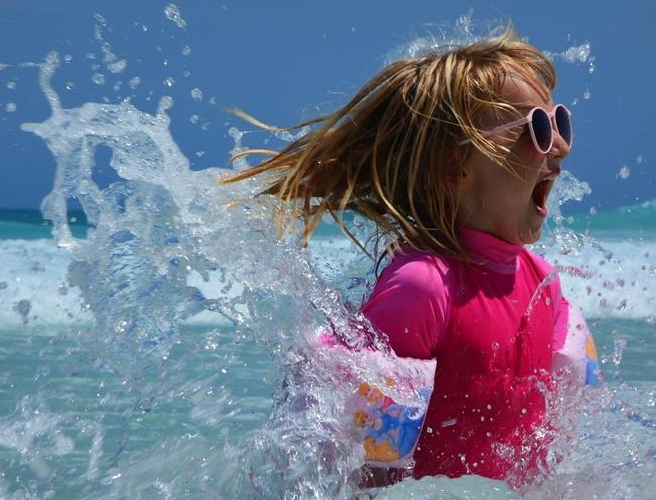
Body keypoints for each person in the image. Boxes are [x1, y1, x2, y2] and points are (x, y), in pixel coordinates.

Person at [222, 26, 589, 489]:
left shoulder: (542, 283)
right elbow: (361, 468)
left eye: (559, 122)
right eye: (535, 130)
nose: (561, 147)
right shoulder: (425, 288)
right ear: (456, 166)